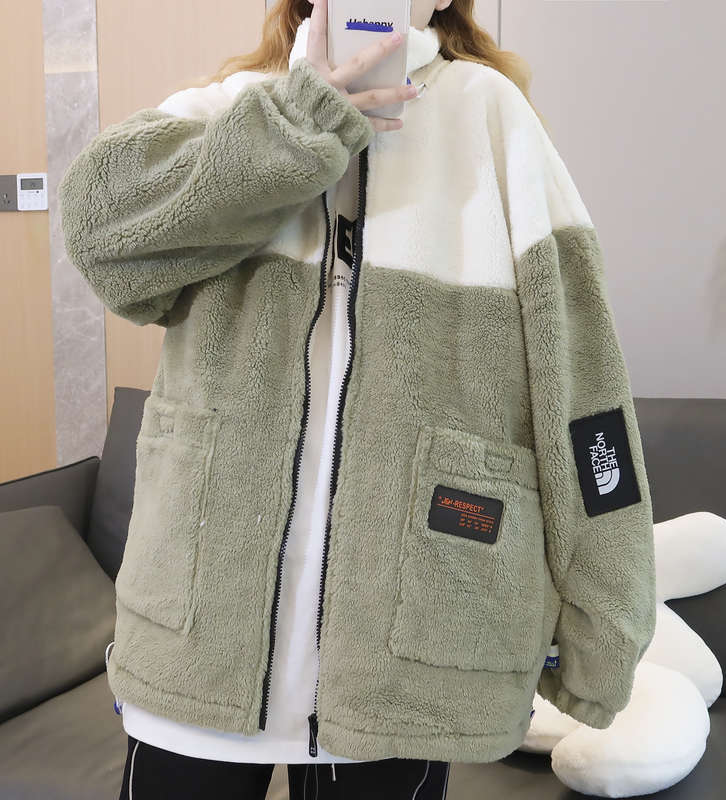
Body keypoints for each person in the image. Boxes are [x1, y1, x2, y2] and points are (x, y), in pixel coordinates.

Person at [58, 0, 658, 797]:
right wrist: (295, 126)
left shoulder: (490, 118)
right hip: (198, 629)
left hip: (409, 645)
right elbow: (101, 232)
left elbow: (584, 386)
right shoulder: (230, 110)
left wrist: (607, 615)